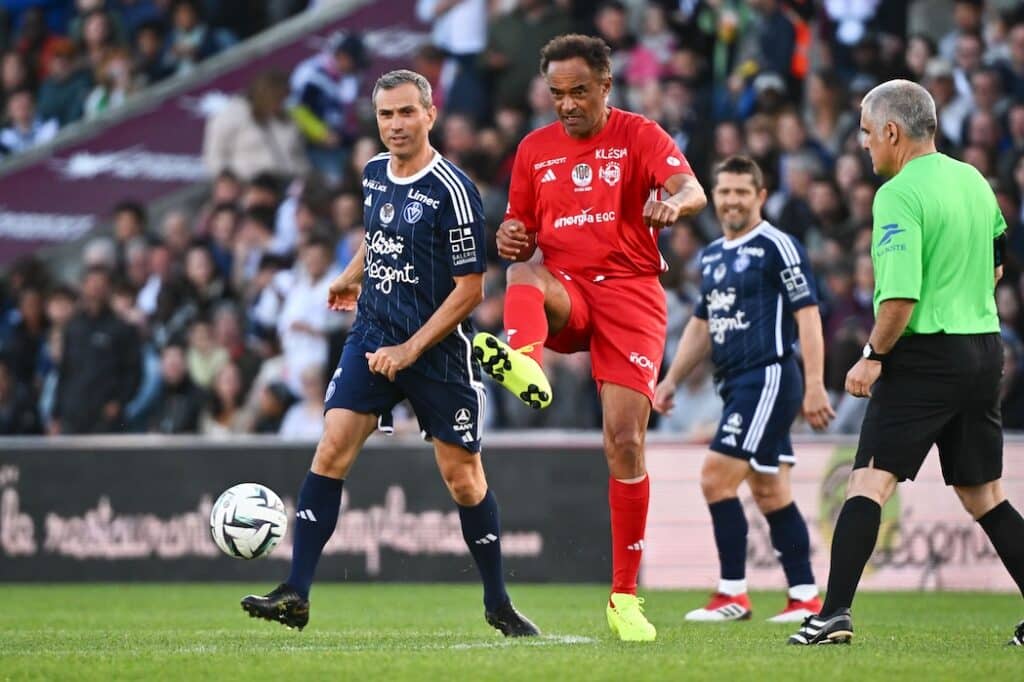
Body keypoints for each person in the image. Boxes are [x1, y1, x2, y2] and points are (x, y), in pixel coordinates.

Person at [241, 69, 539, 638]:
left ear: (430, 114)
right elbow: (379, 236)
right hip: (373, 334)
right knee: (331, 449)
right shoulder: (375, 172)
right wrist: (349, 275)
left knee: (463, 481)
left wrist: (409, 350)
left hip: (436, 350)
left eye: (406, 113)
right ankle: (296, 592)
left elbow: (471, 289)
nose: (396, 125)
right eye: (386, 115)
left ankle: (498, 602)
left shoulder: (453, 191)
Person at [472, 34, 707, 641]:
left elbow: (692, 189)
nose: (568, 104)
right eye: (557, 93)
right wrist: (510, 238)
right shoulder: (533, 149)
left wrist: (674, 208)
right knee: (523, 272)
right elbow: (519, 230)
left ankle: (624, 599)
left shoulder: (639, 134)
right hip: (569, 292)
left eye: (579, 91)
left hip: (631, 295)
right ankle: (524, 361)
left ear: (606, 85)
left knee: (624, 440)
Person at [789, 79, 1024, 647]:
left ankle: (833, 615)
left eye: (868, 134)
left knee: (868, 480)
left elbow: (899, 299)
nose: (864, 146)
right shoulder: (975, 180)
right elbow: (997, 268)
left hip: (925, 352)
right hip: (984, 347)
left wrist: (872, 356)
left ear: (892, 132)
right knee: (983, 494)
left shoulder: (897, 193)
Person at [652, 155, 834, 624]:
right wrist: (670, 379)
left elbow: (808, 315)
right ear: (715, 196)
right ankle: (806, 598)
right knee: (771, 491)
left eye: (741, 192)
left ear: (760, 196)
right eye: (725, 192)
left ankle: (732, 593)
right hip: (735, 384)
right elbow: (702, 323)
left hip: (770, 375)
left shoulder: (779, 246)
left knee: (715, 477)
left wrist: (815, 385)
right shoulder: (711, 256)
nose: (732, 200)